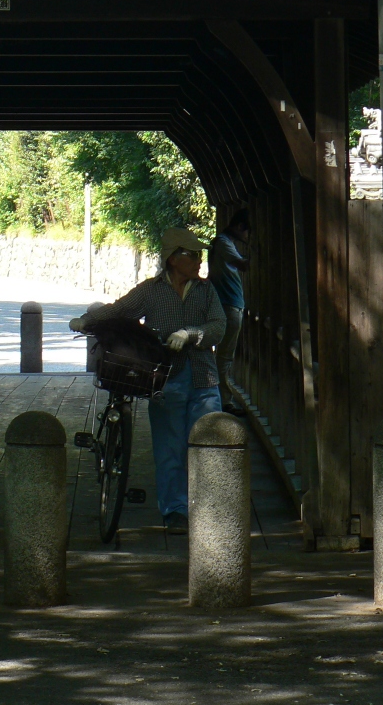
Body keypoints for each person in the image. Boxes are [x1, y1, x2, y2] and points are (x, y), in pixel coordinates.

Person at [69, 226, 225, 534]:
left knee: (212, 445)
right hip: (166, 379)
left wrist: (191, 333)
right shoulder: (151, 291)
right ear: (173, 258)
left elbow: (219, 325)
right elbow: (119, 310)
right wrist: (86, 321)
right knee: (169, 449)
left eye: (199, 255)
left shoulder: (206, 290)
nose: (199, 260)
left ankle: (210, 508)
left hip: (204, 377)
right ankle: (175, 511)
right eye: (193, 254)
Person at [207, 210, 249, 417]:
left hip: (225, 302)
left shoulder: (221, 242)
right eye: (248, 232)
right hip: (229, 304)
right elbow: (243, 265)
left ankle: (217, 398)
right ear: (240, 227)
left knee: (222, 355)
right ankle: (223, 401)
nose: (248, 237)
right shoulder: (224, 242)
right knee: (224, 356)